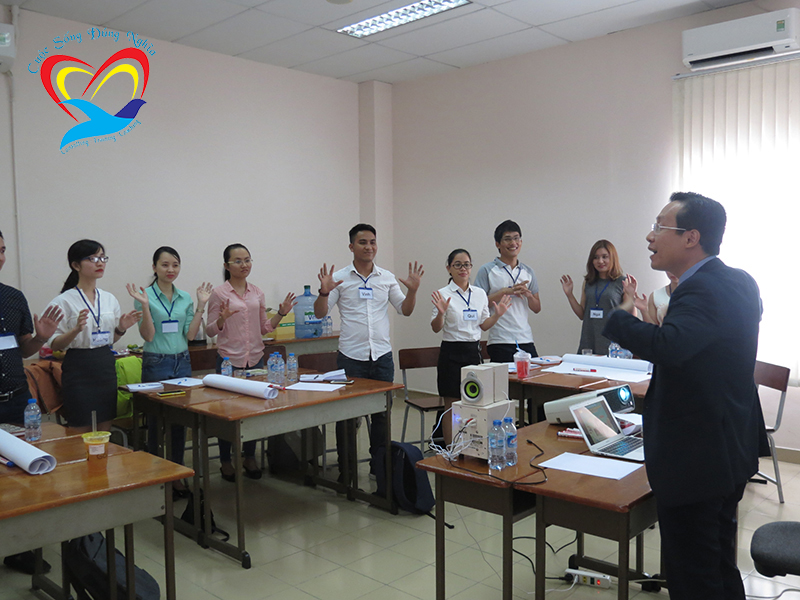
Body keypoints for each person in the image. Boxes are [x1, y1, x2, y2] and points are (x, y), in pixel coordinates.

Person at [603, 192, 767, 600]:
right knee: (717, 562)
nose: (649, 236)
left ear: (691, 237)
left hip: (697, 458)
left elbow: (670, 347)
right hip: (729, 449)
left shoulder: (700, 289)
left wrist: (621, 317)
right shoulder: (740, 281)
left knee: (694, 574)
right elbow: (705, 351)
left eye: (659, 227)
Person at [314, 223, 423, 478]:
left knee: (382, 416)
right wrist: (324, 292)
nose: (369, 247)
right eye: (363, 242)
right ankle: (347, 470)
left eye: (372, 242)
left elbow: (405, 310)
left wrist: (413, 291)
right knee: (347, 417)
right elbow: (320, 313)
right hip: (351, 358)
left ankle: (380, 468)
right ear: (351, 246)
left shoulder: (386, 277)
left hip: (381, 357)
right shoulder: (339, 278)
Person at [0, 230, 63, 575]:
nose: (0, 258)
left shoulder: (13, 297)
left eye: (2, 251)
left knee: (26, 473)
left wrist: (40, 337)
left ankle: (20, 548)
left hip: (15, 398)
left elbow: (24, 349)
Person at [126, 246, 212, 496]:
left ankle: (177, 474)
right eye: (164, 265)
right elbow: (148, 335)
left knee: (179, 422)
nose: (170, 269)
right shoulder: (144, 296)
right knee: (155, 423)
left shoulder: (184, 297)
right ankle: (158, 478)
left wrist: (201, 305)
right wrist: (145, 307)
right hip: (156, 362)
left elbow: (191, 335)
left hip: (182, 362)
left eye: (175, 264)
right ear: (154, 267)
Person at [206, 243, 296, 482]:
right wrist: (222, 320)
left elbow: (265, 328)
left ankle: (249, 457)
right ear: (226, 265)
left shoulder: (257, 292)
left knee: (254, 411)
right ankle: (225, 461)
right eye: (238, 261)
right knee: (227, 414)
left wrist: (281, 313)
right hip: (229, 361)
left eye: (247, 260)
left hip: (255, 359)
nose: (244, 265)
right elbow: (209, 330)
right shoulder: (219, 293)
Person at [48, 240, 141, 435]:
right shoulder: (63, 301)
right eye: (92, 259)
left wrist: (121, 328)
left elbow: (110, 339)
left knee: (104, 428)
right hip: (78, 367)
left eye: (102, 258)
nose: (100, 263)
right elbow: (54, 344)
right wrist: (75, 330)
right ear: (76, 265)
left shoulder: (108, 299)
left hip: (104, 365)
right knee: (80, 429)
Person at [431, 248, 510, 401]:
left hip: (473, 352)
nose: (463, 269)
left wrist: (497, 315)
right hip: (451, 352)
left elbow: (484, 325)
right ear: (449, 268)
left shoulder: (479, 294)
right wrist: (441, 313)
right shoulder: (443, 294)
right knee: (452, 403)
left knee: (475, 401)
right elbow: (436, 328)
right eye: (458, 265)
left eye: (467, 265)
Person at [474, 220, 541, 362]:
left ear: (521, 242)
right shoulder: (487, 270)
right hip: (500, 340)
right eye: (507, 239)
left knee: (532, 375)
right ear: (497, 244)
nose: (513, 243)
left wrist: (528, 295)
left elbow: (537, 308)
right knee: (504, 377)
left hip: (525, 339)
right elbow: (477, 304)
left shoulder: (528, 271)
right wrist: (505, 292)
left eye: (516, 238)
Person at [560, 239, 633, 355]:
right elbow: (582, 314)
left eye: (605, 257)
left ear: (612, 258)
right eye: (596, 257)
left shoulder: (622, 282)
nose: (600, 261)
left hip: (613, 345)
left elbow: (631, 317)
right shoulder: (588, 282)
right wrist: (570, 295)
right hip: (589, 342)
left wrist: (632, 298)